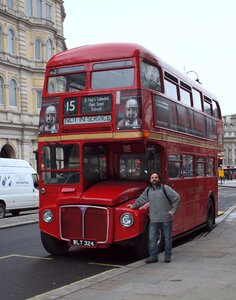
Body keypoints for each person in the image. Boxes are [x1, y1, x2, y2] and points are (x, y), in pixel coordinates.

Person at [127, 171, 180, 263]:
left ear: (159, 179)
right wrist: (133, 206)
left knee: (167, 239)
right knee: (152, 239)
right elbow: (141, 199)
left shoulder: (165, 188)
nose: (154, 179)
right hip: (153, 220)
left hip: (166, 218)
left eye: (156, 177)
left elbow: (177, 197)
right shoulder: (148, 190)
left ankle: (167, 256)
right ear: (150, 180)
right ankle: (153, 257)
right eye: (152, 178)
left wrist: (173, 210)